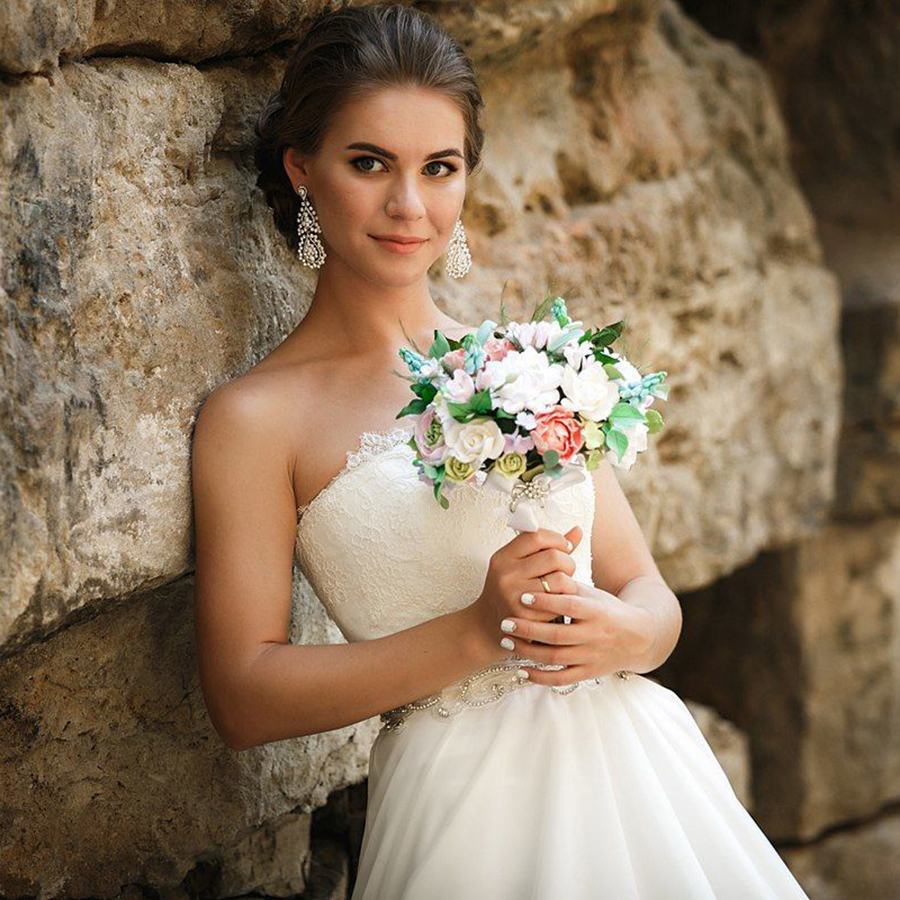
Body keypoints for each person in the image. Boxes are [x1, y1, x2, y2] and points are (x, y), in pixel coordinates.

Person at [190, 4, 811, 898]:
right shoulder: (256, 420)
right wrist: (477, 633)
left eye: (438, 168)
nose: (410, 205)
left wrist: (626, 633)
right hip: (468, 808)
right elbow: (242, 695)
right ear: (304, 170)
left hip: (645, 780)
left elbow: (648, 595)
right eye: (370, 164)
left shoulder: (526, 364)